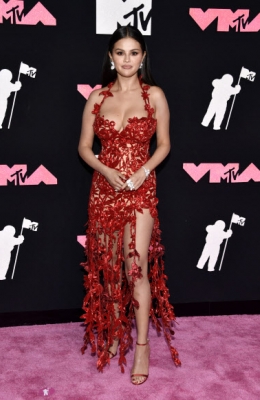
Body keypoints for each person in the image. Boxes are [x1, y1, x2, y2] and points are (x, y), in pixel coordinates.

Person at [78, 26, 180, 385]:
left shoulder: (155, 96)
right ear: (111, 56)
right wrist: (105, 170)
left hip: (140, 190)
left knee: (134, 267)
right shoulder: (97, 97)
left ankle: (140, 345)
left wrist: (142, 171)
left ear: (143, 57)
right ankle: (113, 333)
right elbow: (84, 148)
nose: (127, 59)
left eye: (134, 52)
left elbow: (164, 144)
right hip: (104, 190)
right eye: (120, 52)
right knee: (108, 269)